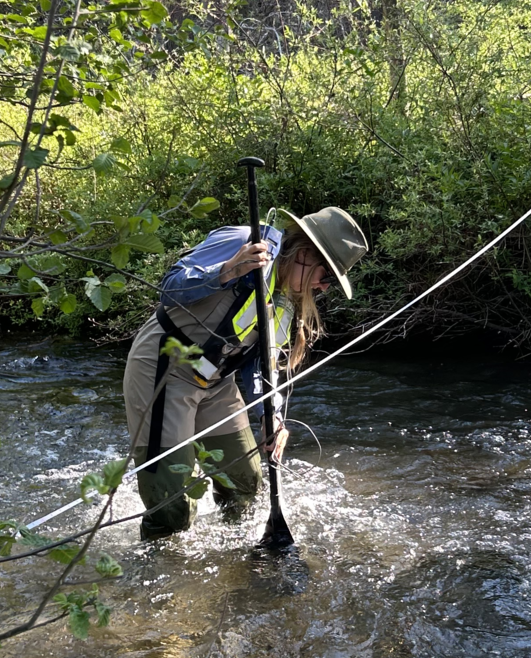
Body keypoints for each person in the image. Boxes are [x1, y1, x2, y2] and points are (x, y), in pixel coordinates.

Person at [123, 206, 368, 539]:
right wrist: (224, 272)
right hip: (164, 366)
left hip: (215, 380)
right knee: (171, 501)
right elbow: (169, 287)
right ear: (305, 254)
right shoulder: (245, 240)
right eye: (326, 277)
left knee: (244, 482)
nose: (324, 288)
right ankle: (161, 572)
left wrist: (272, 415)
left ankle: (233, 558)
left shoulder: (285, 300)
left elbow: (259, 365)